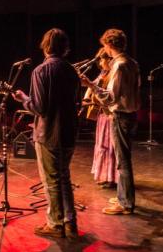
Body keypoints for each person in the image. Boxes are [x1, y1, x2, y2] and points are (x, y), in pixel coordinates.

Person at [12, 28, 81, 240]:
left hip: (49, 133)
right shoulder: (72, 71)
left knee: (52, 181)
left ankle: (55, 224)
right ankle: (70, 223)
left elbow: (40, 108)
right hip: (69, 131)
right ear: (65, 47)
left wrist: (24, 99)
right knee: (64, 178)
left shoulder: (41, 71)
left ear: (45, 46)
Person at [81, 28, 141, 215]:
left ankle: (126, 204)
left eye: (104, 46)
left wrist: (90, 85)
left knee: (122, 161)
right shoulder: (132, 63)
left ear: (108, 45)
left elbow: (110, 97)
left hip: (120, 115)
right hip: (131, 115)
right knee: (123, 159)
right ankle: (124, 196)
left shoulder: (119, 65)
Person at [86, 50, 117, 188]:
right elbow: (93, 85)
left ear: (109, 60)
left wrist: (91, 86)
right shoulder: (103, 73)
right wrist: (86, 97)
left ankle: (112, 177)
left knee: (110, 146)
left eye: (102, 59)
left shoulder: (113, 74)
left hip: (109, 115)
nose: (100, 62)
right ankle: (105, 175)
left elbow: (107, 94)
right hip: (102, 115)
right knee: (102, 145)